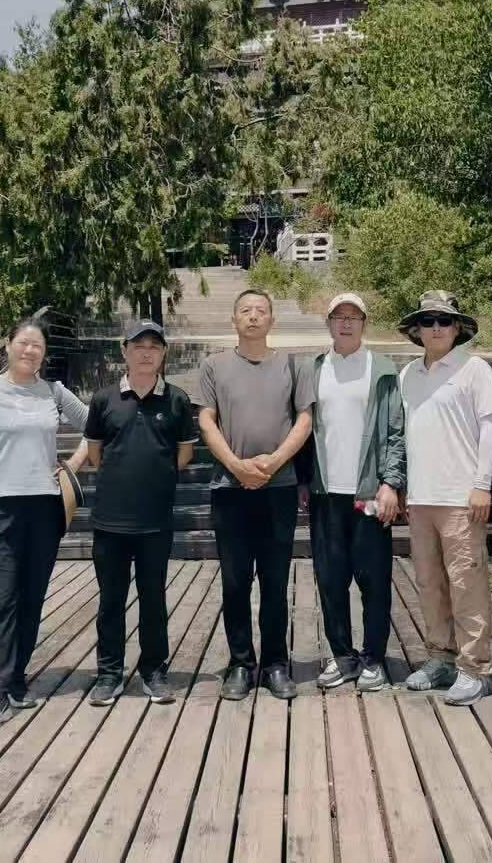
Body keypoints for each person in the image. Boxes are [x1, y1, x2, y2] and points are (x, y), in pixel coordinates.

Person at [0, 317, 89, 735]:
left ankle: (16, 680)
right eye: (23, 343)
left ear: (44, 353)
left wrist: (72, 464)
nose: (30, 350)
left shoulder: (54, 392)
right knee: (1, 600)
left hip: (46, 507)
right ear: (8, 346)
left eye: (37, 346)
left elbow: (97, 425)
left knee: (32, 598)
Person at [196, 288, 315, 701]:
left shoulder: (293, 366)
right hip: (230, 489)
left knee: (275, 580)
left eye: (260, 310)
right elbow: (206, 421)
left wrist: (274, 462)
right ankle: (241, 664)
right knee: (234, 581)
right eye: (245, 310)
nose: (252, 316)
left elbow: (304, 420)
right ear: (234, 320)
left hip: (278, 489)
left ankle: (276, 663)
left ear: (271, 320)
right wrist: (237, 465)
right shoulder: (213, 366)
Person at [83, 320, 197, 708]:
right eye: (138, 345)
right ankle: (109, 673)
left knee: (153, 599)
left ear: (163, 353)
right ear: (124, 351)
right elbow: (95, 453)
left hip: (155, 519)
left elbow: (184, 453)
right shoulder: (104, 399)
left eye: (154, 346)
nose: (146, 352)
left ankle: (154, 671)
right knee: (111, 600)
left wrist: (155, 476)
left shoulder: (177, 400)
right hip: (110, 520)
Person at [398, 290, 492, 706]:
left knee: (466, 583)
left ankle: (476, 668)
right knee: (429, 582)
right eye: (428, 321)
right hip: (421, 497)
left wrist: (483, 484)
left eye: (444, 320)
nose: (436, 328)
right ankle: (439, 657)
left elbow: (490, 429)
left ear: (457, 328)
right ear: (417, 329)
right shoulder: (407, 375)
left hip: (462, 497)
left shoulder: (474, 369)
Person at [305, 292, 405, 694]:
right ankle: (343, 656)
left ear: (364, 323)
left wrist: (391, 483)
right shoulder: (315, 368)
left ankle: (373, 658)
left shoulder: (381, 369)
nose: (346, 323)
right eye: (338, 316)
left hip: (369, 494)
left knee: (374, 580)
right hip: (326, 493)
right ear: (329, 323)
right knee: (331, 580)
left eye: (354, 317)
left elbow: (396, 431)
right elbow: (304, 429)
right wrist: (304, 481)